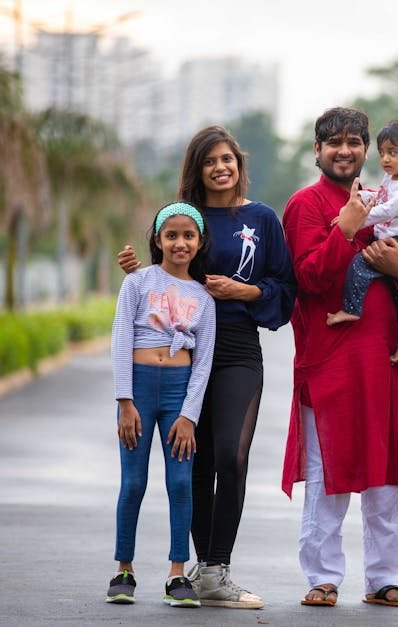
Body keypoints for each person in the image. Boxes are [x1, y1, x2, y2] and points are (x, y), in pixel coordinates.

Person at [117, 126, 296, 609]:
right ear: (196, 170)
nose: (220, 167)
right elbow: (164, 276)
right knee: (193, 458)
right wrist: (137, 274)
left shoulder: (261, 219)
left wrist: (245, 291)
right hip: (187, 352)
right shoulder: (185, 217)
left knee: (232, 455)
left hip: (238, 348)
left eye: (227, 159)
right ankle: (199, 573)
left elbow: (285, 289)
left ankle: (217, 568)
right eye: (209, 161)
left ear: (239, 163)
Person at [280, 107, 398, 608]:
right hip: (329, 365)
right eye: (333, 142)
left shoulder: (386, 196)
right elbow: (307, 281)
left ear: (367, 149)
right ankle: (322, 577)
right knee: (327, 476)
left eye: (354, 142)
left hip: (384, 364)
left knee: (386, 476)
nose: (345, 150)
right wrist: (343, 230)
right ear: (316, 151)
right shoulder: (305, 205)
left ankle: (385, 579)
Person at [107, 202, 216, 608]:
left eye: (188, 235)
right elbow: (121, 340)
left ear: (199, 241)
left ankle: (176, 573)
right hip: (137, 391)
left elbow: (203, 358)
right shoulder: (137, 282)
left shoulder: (204, 296)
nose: (180, 242)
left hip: (177, 392)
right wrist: (124, 401)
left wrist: (189, 415)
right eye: (171, 235)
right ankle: (124, 569)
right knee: (133, 482)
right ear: (157, 240)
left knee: (181, 482)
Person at [326, 119, 398, 364]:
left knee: (360, 266)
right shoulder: (392, 177)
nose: (386, 159)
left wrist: (355, 219)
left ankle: (351, 309)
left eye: (393, 153)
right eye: (382, 153)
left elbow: (388, 210)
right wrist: (362, 194)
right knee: (396, 293)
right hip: (392, 239)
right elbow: (381, 197)